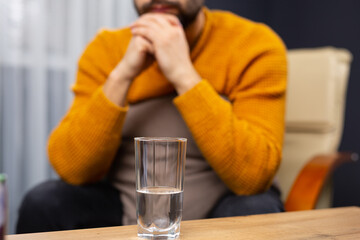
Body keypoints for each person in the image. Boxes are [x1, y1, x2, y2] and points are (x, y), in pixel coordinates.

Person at [16, 0, 287, 233]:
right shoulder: (106, 49)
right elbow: (71, 168)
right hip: (123, 209)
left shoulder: (254, 44)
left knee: (258, 209)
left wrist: (182, 73)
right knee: (44, 201)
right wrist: (123, 74)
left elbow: (254, 176)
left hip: (222, 206)